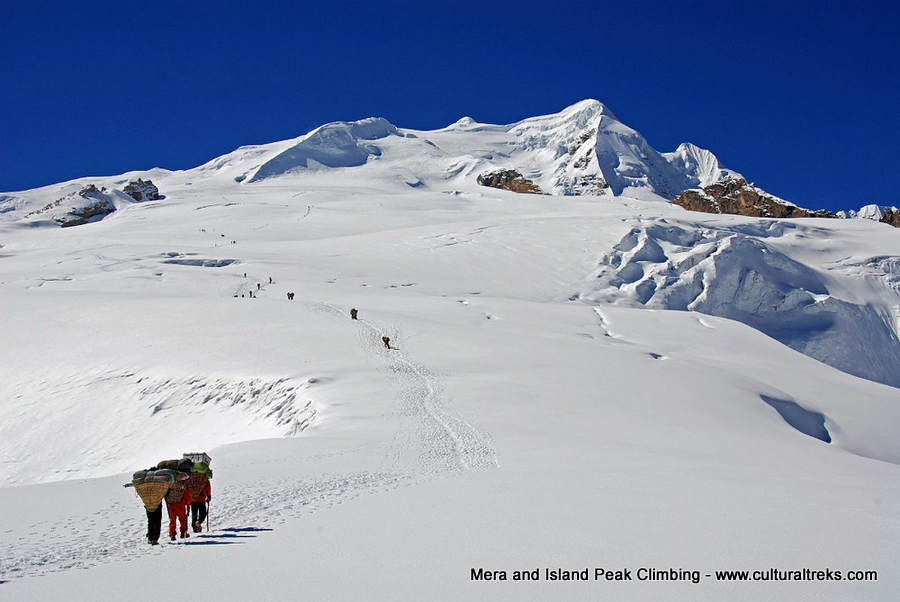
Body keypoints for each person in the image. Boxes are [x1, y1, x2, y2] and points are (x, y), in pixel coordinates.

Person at [165, 470, 193, 541]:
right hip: (180, 503)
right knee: (182, 519)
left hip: (170, 504)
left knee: (172, 520)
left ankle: (172, 534)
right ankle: (183, 532)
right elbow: (187, 496)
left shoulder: (170, 483)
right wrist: (188, 504)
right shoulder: (183, 484)